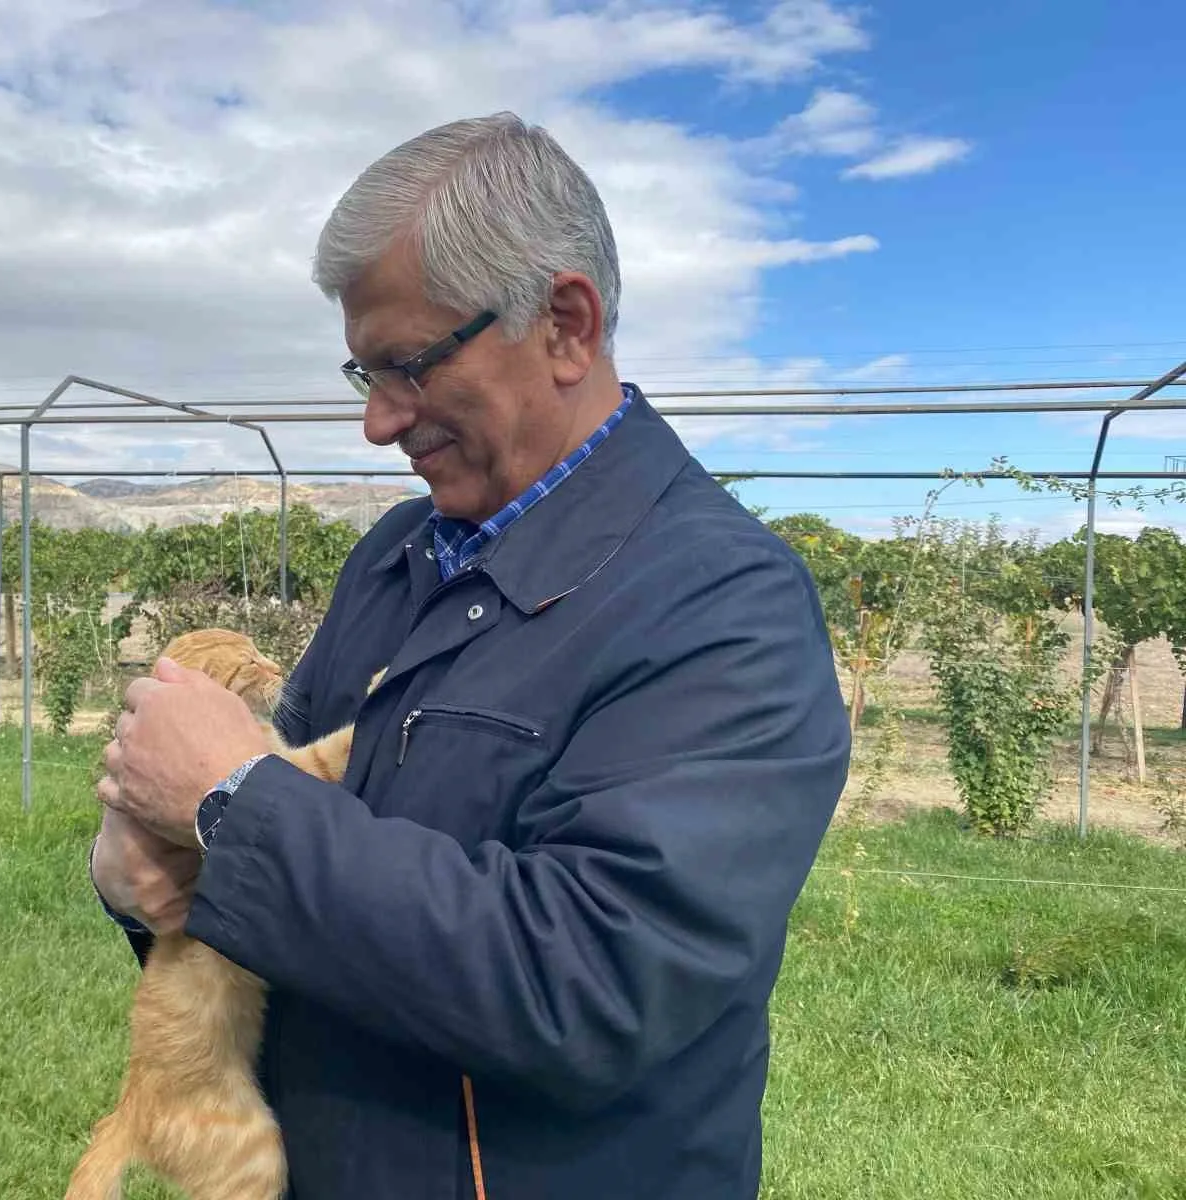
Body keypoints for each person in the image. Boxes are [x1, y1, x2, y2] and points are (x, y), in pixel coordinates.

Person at [91, 111, 851, 1200]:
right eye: (363, 374)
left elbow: (596, 983)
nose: (378, 421)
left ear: (566, 326)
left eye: (406, 366)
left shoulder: (723, 603)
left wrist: (229, 804)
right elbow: (277, 846)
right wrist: (144, 870)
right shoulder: (397, 554)